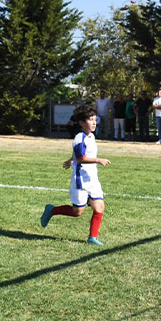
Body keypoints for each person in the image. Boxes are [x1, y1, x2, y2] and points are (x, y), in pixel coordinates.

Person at [39, 104, 110, 245]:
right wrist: (98, 160)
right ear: (82, 123)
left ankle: (92, 238)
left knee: (99, 207)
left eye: (95, 119)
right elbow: (81, 158)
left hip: (92, 179)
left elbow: (76, 155)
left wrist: (71, 159)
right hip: (80, 181)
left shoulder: (91, 137)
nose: (94, 122)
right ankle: (52, 210)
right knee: (77, 212)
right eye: (91, 120)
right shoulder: (79, 138)